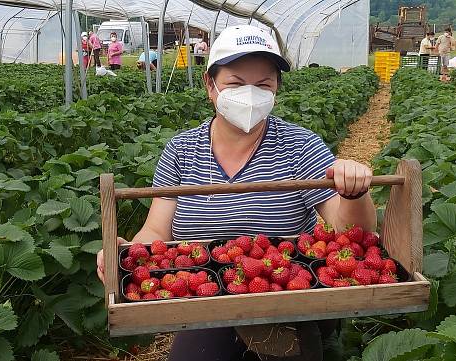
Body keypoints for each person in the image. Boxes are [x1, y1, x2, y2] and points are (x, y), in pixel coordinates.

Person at [97, 25, 376, 361]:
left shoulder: (300, 146)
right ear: (210, 86)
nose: (250, 94)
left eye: (263, 85)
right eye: (235, 83)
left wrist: (353, 191)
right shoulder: (181, 150)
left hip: (287, 295)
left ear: (276, 89)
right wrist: (129, 253)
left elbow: (350, 233)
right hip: (207, 298)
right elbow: (157, 231)